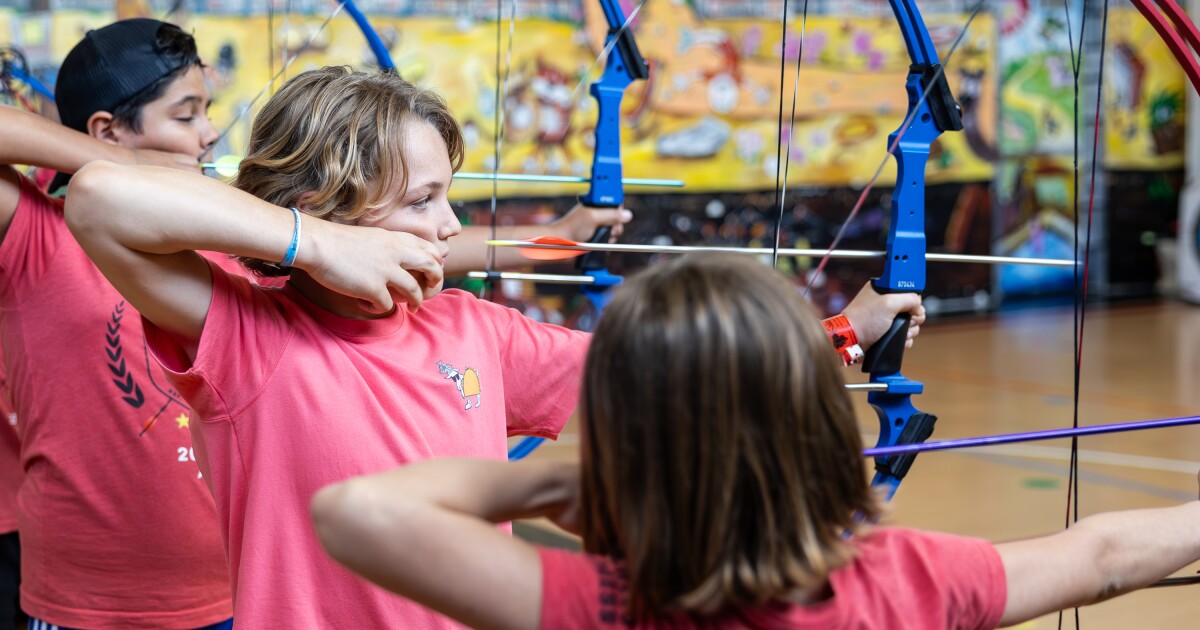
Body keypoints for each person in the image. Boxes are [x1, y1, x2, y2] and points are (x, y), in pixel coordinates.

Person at [64, 66, 923, 627]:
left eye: (451, 197)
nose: (448, 227)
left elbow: (685, 379)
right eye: (422, 200)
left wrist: (844, 334)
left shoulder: (475, 330)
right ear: (324, 203)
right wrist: (319, 246)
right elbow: (99, 198)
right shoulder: (247, 333)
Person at [311, 253, 1200, 630]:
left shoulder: (607, 607)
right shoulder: (915, 580)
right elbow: (1110, 553)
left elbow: (356, 512)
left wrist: (567, 481)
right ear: (817, 422)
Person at [0, 18, 235, 629]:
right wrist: (125, 166)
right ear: (107, 129)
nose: (209, 135)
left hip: (233, 585)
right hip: (86, 600)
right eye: (185, 117)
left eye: (206, 113)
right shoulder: (37, 233)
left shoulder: (233, 232)